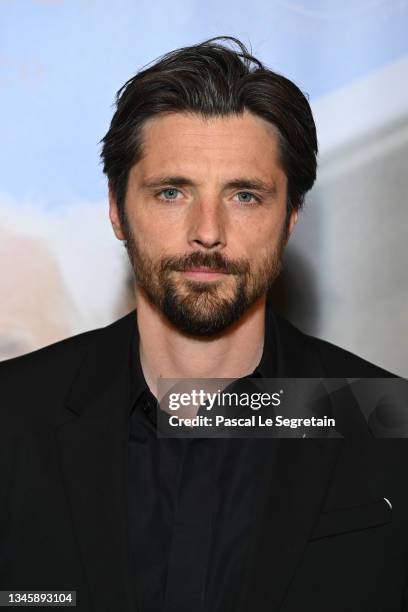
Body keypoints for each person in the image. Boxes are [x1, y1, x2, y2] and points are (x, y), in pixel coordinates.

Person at [0, 36, 407, 612]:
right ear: (117, 209)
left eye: (244, 195)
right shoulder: (12, 420)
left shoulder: (389, 429)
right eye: (171, 192)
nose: (207, 231)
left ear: (290, 217)